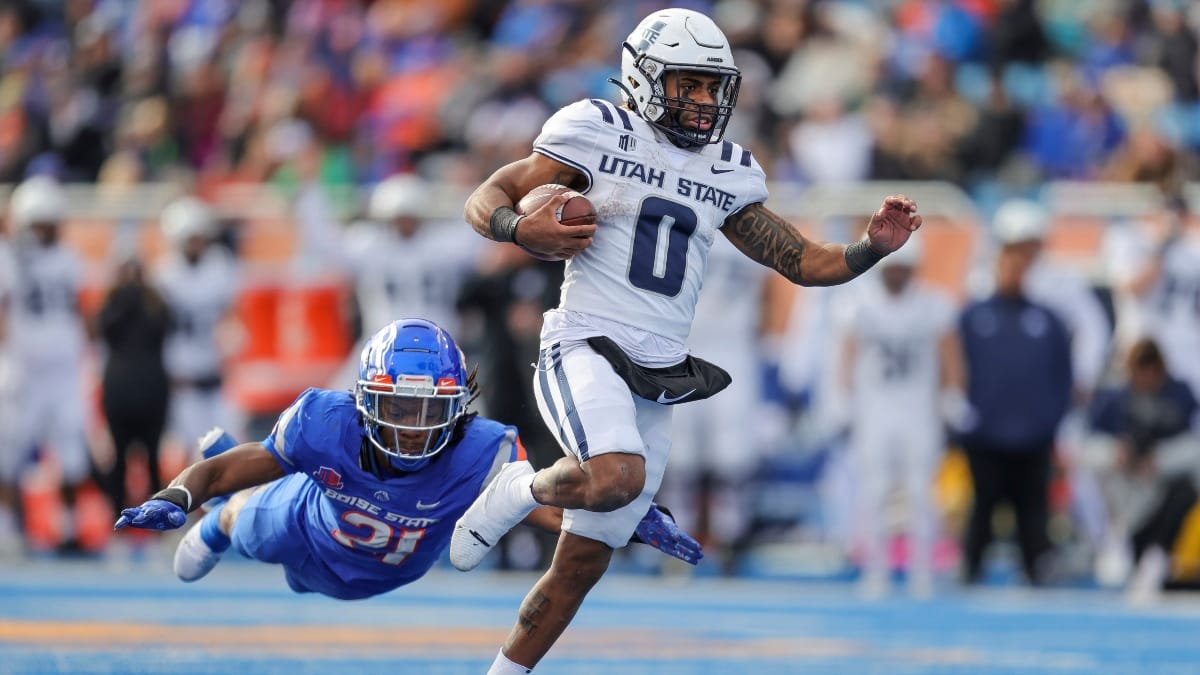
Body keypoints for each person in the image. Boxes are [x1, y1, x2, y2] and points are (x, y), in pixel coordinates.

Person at [448, 9, 922, 673]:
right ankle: (519, 489)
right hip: (586, 341)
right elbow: (487, 195)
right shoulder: (595, 129)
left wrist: (872, 247)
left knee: (582, 563)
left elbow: (803, 261)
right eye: (688, 85)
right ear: (643, 81)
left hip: (660, 369)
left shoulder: (728, 170)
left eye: (711, 87)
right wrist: (514, 227)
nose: (703, 101)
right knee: (616, 476)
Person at [113, 319, 701, 600]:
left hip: (389, 571)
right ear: (365, 397)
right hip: (309, 527)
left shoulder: (482, 451)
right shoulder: (326, 423)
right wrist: (180, 497)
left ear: (458, 404)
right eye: (399, 405)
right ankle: (226, 521)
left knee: (301, 585)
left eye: (430, 409)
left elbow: (542, 510)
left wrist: (626, 521)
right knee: (244, 520)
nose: (414, 427)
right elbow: (227, 468)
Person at [837, 236, 964, 598]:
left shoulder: (933, 304)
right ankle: (875, 569)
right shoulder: (859, 304)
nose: (895, 276)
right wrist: (843, 397)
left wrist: (953, 394)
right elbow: (847, 352)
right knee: (874, 491)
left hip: (918, 409)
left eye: (901, 268)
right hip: (875, 409)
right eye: (890, 268)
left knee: (922, 493)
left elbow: (950, 352)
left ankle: (923, 569)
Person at [957, 230, 1074, 586]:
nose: (1013, 273)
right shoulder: (973, 318)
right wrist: (964, 419)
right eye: (1007, 265)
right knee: (983, 505)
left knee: (1033, 510)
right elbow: (956, 370)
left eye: (1020, 266)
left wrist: (1050, 421)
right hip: (985, 434)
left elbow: (1063, 375)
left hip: (1032, 436)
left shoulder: (1048, 320)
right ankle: (971, 567)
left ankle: (1036, 567)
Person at [5, 175, 93, 553]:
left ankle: (69, 529)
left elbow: (80, 310)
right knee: (9, 450)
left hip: (62, 369)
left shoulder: (69, 260)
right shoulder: (9, 258)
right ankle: (11, 531)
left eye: (48, 222)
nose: (43, 230)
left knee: (71, 451)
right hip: (23, 367)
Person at [155, 195, 241, 450]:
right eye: (190, 239)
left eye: (199, 238)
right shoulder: (165, 276)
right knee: (195, 453)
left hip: (215, 376)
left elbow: (231, 316)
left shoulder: (219, 267)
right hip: (183, 380)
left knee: (233, 448)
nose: (196, 245)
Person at [96, 257, 172, 522]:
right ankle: (117, 519)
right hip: (121, 391)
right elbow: (103, 329)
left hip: (150, 390)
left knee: (152, 457)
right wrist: (123, 301)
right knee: (119, 459)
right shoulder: (112, 306)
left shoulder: (156, 305)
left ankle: (156, 520)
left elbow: (162, 328)